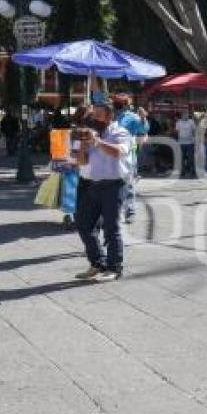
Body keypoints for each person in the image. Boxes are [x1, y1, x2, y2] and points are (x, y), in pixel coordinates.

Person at [74, 101, 133, 282]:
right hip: (90, 185)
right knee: (84, 224)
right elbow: (81, 162)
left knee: (111, 228)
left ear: (110, 116)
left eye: (98, 114)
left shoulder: (120, 132)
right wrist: (83, 146)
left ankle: (115, 267)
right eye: (93, 114)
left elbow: (118, 153)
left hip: (113, 185)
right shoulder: (88, 133)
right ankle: (97, 262)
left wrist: (97, 142)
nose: (94, 117)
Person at [112, 93, 149, 224]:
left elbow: (143, 129)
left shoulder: (132, 117)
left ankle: (130, 211)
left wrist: (143, 118)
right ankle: (114, 211)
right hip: (111, 156)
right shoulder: (110, 115)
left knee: (128, 185)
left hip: (127, 157)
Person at [175, 111, 197, 178]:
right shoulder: (178, 122)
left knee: (191, 159)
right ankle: (182, 172)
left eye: (187, 115)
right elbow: (177, 131)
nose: (185, 116)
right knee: (182, 158)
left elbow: (194, 131)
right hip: (181, 143)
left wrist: (194, 139)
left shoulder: (191, 122)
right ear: (182, 116)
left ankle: (192, 172)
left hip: (190, 143)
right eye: (184, 115)